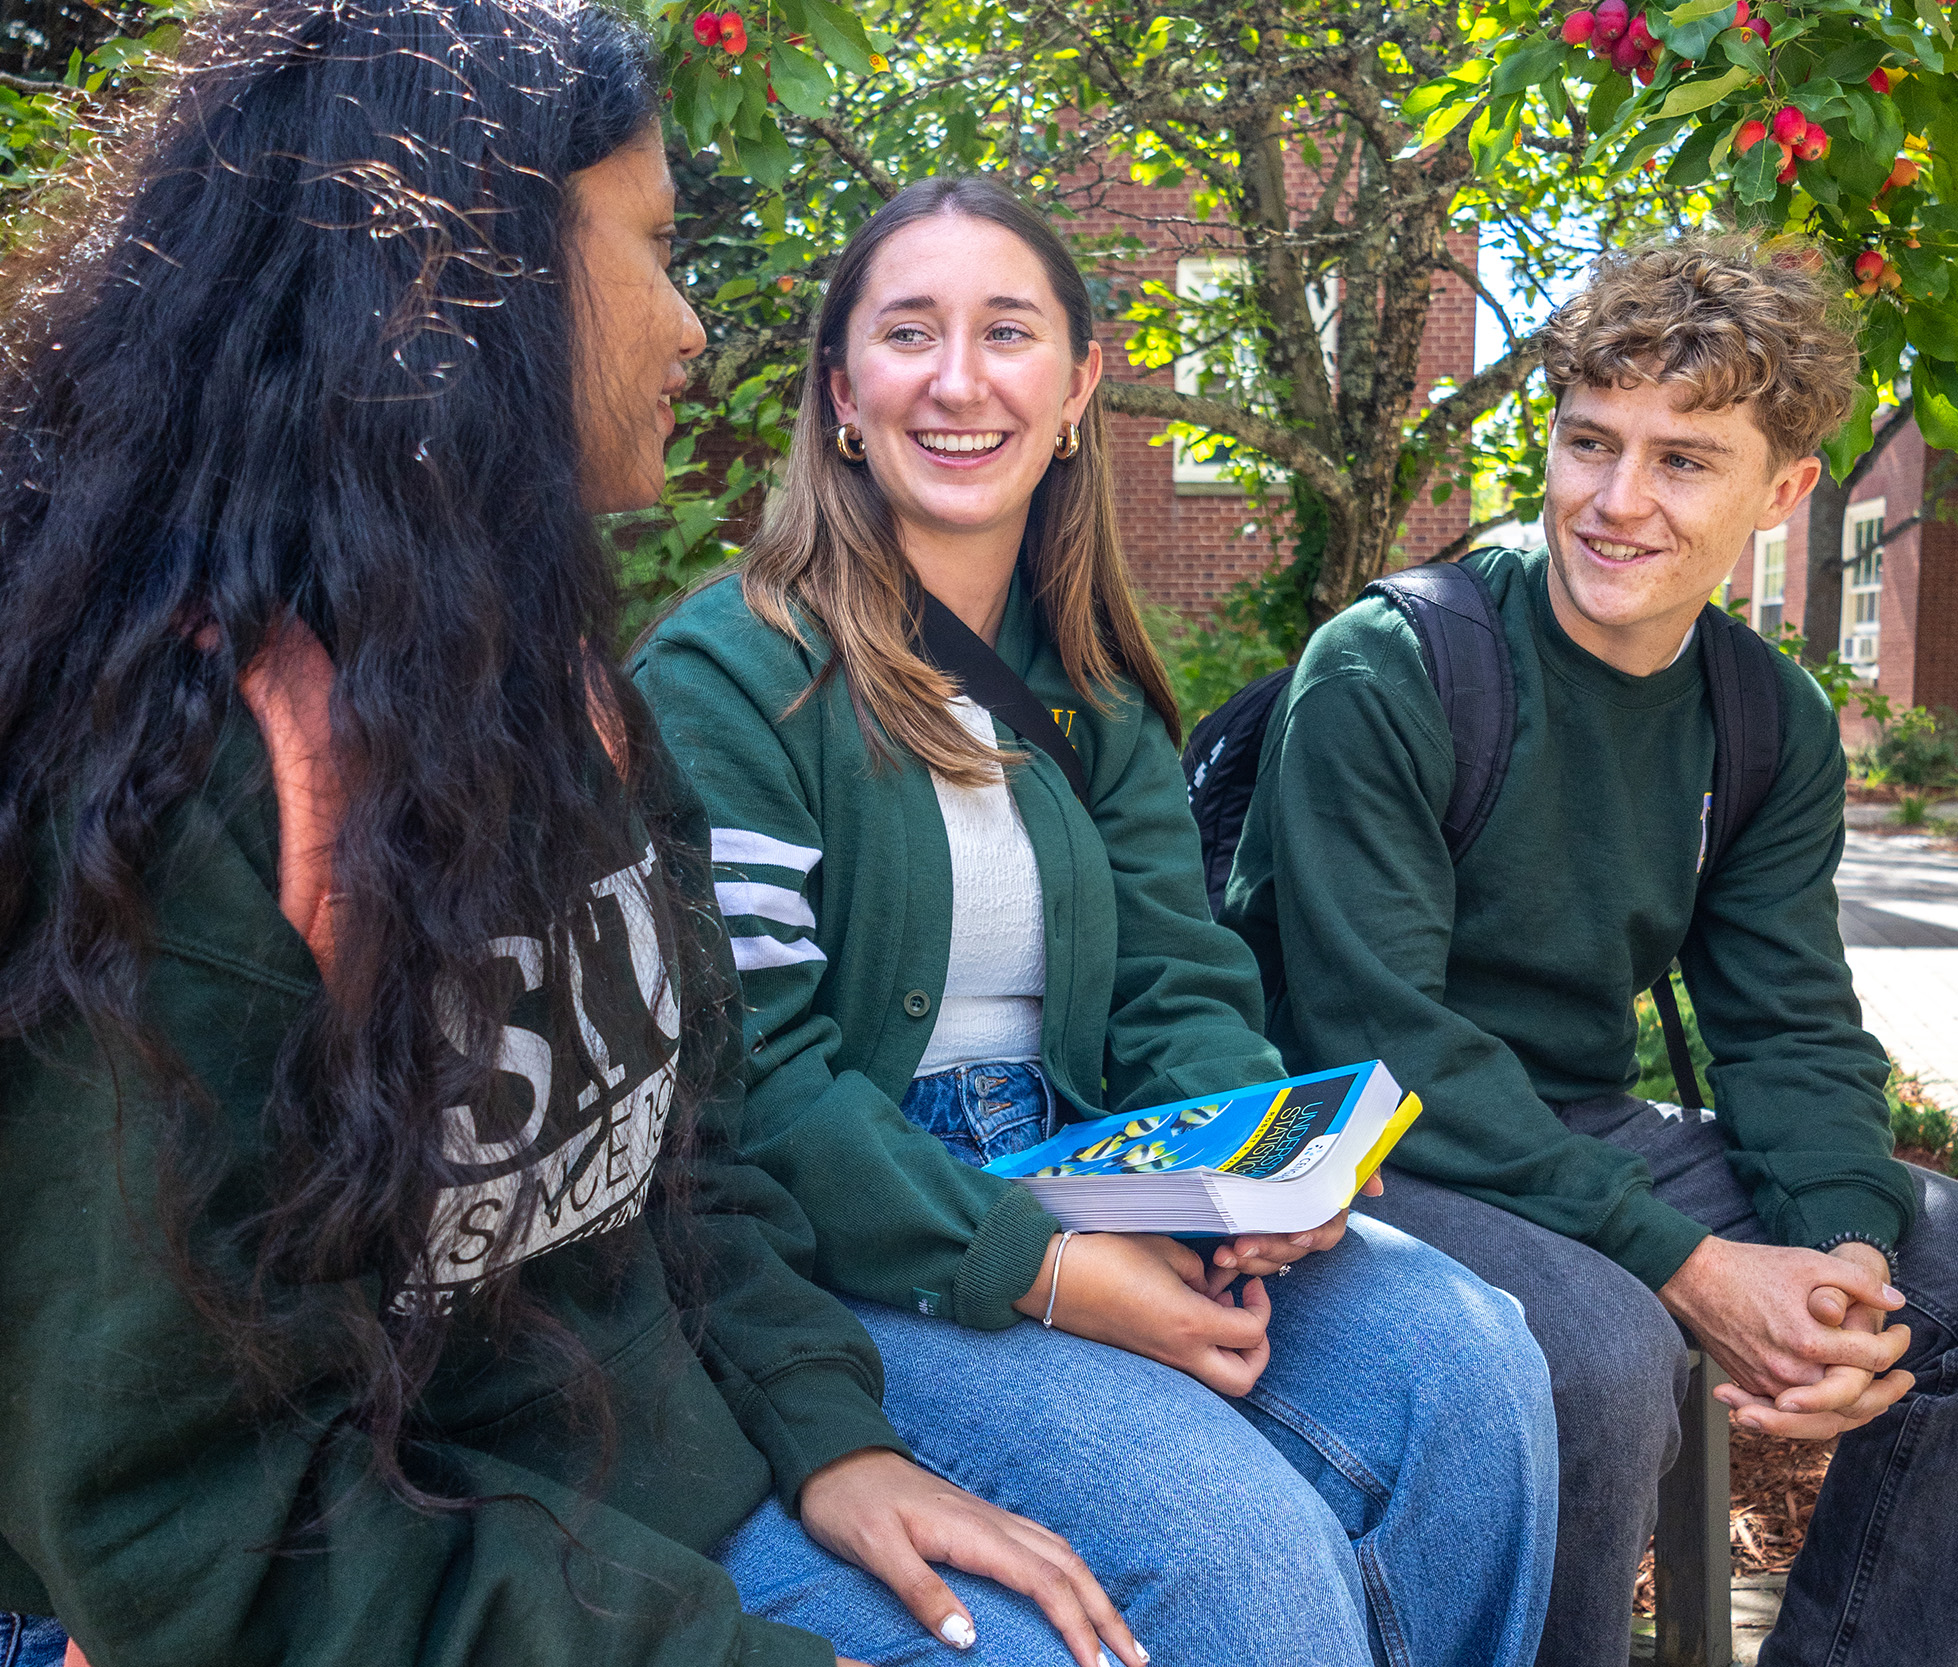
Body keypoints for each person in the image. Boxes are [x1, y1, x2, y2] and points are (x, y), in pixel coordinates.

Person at [0, 7, 1156, 1665]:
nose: (692, 326)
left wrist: (833, 1435)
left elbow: (690, 1146)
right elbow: (200, 1527)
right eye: (658, 246)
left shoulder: (549, 679)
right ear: (459, 284)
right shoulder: (184, 778)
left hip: (643, 1481)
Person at [636, 173, 1559, 1667]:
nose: (957, 379)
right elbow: (752, 1085)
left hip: (1098, 1174)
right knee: (1236, 1552)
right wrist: (1049, 1269)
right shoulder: (730, 673)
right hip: (858, 1243)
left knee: (1471, 1361)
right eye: (907, 334)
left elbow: (1171, 983)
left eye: (1006, 332)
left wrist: (1249, 1175)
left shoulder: (1087, 684)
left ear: (1076, 388)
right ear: (842, 396)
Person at [1222, 234, 1958, 1667]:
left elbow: (1789, 1027)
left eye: (1682, 460)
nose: (1615, 503)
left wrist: (1846, 1256)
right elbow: (1378, 1033)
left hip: (1566, 1125)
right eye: (1586, 444)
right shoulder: (1394, 666)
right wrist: (1684, 1265)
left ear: (1783, 490)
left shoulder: (1765, 720)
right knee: (1602, 1351)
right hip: (1347, 1131)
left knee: (1945, 1272)